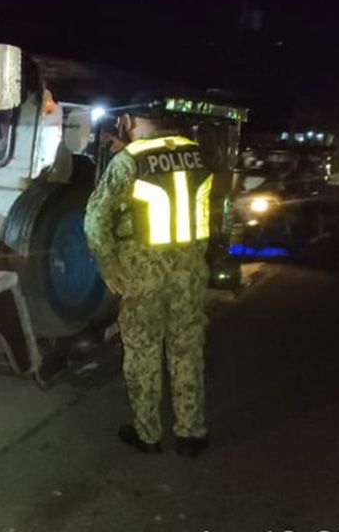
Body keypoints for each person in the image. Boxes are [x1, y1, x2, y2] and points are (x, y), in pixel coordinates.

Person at [84, 102, 213, 457]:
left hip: (143, 275)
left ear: (128, 121)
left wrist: (109, 267)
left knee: (143, 353)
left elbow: (95, 220)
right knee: (187, 350)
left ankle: (148, 434)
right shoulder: (195, 154)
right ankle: (190, 433)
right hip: (190, 269)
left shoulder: (129, 161)